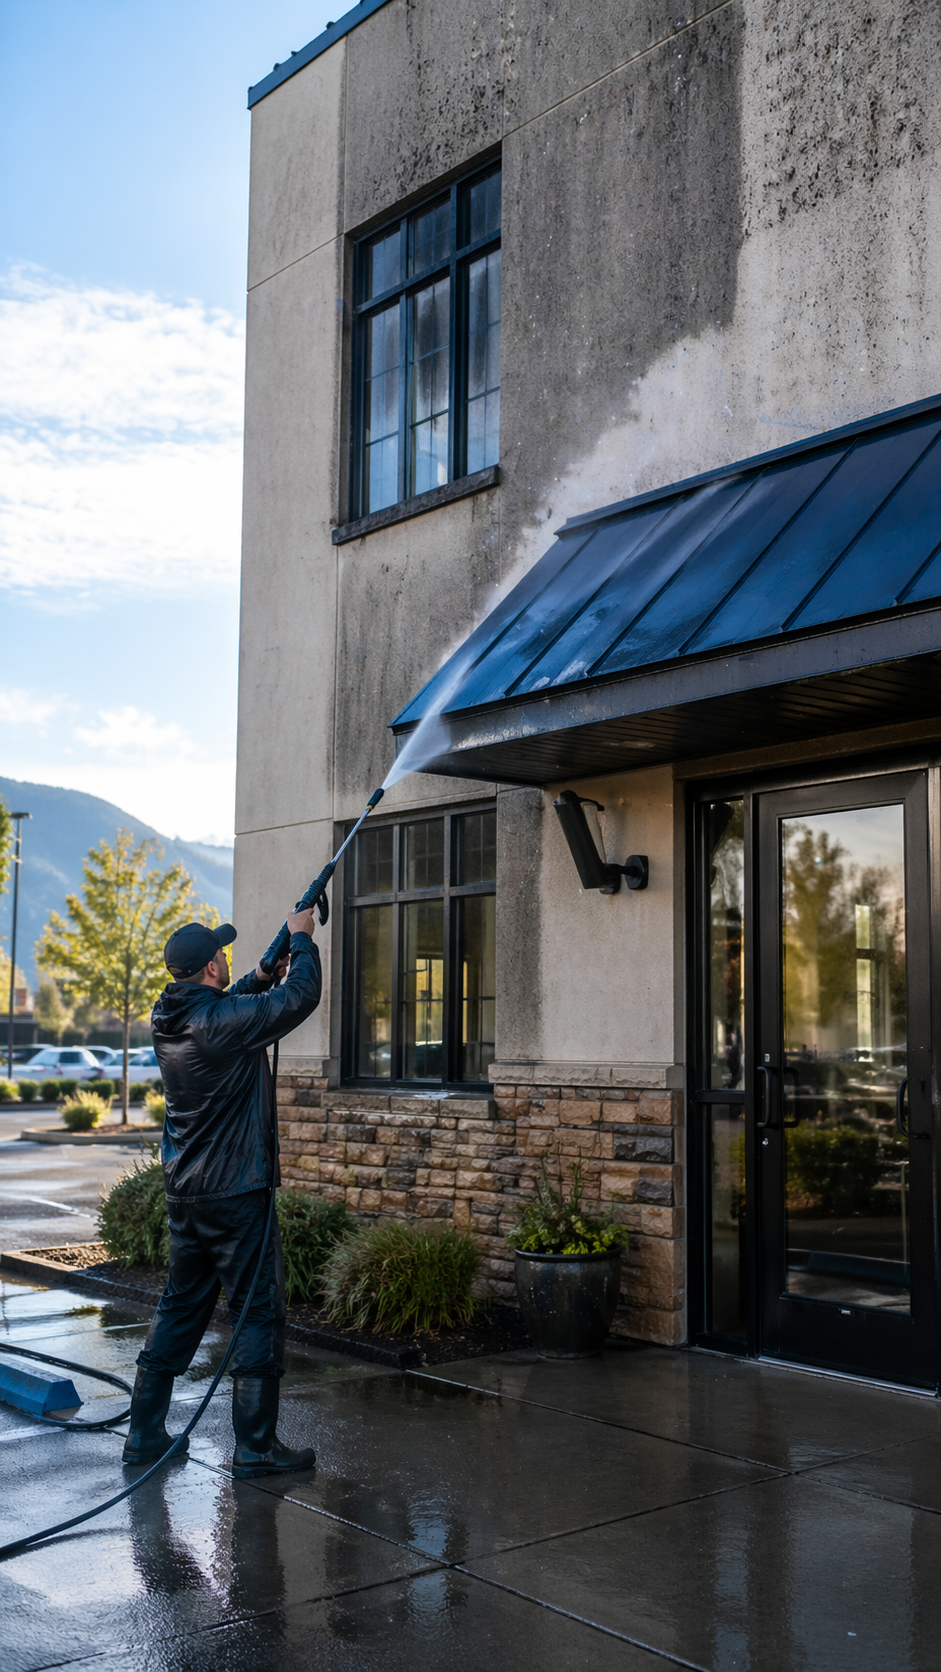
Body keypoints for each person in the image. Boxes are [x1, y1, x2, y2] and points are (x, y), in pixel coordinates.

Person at [122, 911, 321, 1477]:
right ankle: (256, 1448)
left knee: (180, 1305)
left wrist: (259, 975)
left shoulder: (172, 1017)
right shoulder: (221, 1023)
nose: (227, 959)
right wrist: (302, 937)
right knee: (258, 1311)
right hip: (236, 1191)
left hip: (187, 1193)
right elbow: (301, 997)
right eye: (223, 956)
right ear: (211, 966)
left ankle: (143, 1435)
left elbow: (224, 1010)